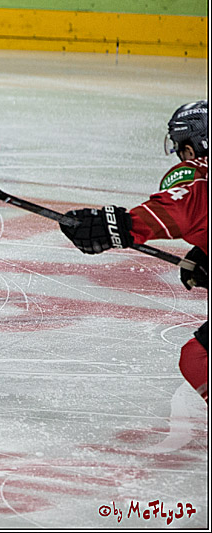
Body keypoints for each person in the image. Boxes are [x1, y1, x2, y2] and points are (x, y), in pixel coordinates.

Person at [60, 100, 208, 403]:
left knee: (198, 359)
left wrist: (122, 226)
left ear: (191, 148)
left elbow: (183, 207)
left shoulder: (198, 173)